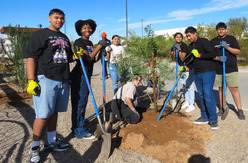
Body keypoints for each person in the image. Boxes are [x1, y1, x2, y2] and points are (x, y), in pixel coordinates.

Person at [24, 9, 74, 163]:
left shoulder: (64, 37)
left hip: (63, 79)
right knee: (43, 114)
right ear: (49, 18)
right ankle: (34, 148)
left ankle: (51, 142)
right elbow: (31, 57)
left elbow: (68, 57)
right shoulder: (41, 34)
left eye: (62, 18)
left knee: (54, 112)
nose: (59, 20)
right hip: (45, 79)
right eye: (56, 17)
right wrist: (31, 80)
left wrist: (76, 55)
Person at [70, 19, 108, 139]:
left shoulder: (90, 43)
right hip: (79, 75)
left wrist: (101, 53)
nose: (88, 30)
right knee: (80, 103)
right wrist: (100, 45)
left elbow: (92, 60)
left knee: (83, 101)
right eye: (85, 28)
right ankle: (79, 130)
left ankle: (79, 123)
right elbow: (87, 58)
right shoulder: (78, 42)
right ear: (80, 30)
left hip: (87, 74)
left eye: (90, 28)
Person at [183, 26, 221, 130]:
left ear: (195, 33)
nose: (189, 38)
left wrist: (199, 55)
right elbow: (191, 62)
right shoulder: (190, 47)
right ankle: (204, 117)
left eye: (190, 36)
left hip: (208, 71)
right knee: (202, 95)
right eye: (187, 36)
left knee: (208, 95)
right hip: (197, 73)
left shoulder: (203, 41)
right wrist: (186, 68)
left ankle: (213, 120)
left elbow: (212, 54)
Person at [211, 22, 246, 120]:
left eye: (222, 29)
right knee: (221, 89)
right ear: (217, 30)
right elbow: (210, 55)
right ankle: (222, 108)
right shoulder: (213, 41)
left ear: (225, 30)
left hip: (231, 69)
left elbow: (238, 51)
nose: (221, 31)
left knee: (234, 89)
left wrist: (227, 47)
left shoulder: (231, 39)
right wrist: (218, 58)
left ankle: (240, 110)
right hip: (219, 69)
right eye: (219, 29)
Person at [171, 32, 195, 113]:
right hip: (181, 67)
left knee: (189, 85)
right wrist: (174, 51)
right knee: (184, 84)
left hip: (187, 67)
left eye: (180, 37)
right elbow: (173, 58)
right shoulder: (174, 46)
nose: (178, 38)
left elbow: (183, 57)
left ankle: (192, 104)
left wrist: (179, 49)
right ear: (175, 38)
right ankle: (187, 101)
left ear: (182, 38)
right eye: (177, 37)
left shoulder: (184, 46)